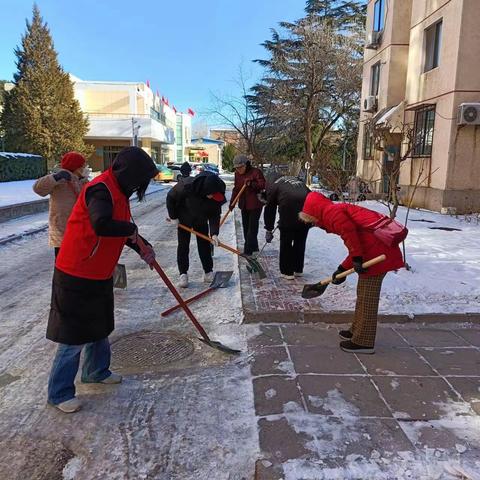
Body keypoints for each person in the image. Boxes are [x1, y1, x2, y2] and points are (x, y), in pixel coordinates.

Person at [46, 146, 158, 413]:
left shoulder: (119, 191)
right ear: (129, 174)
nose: (141, 186)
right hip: (76, 272)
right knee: (73, 337)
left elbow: (122, 230)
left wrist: (144, 247)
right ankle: (59, 393)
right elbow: (101, 224)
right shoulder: (101, 190)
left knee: (100, 325)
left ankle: (96, 371)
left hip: (99, 272)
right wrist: (131, 231)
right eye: (141, 179)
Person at [299, 192, 404, 354]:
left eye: (312, 220)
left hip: (379, 255)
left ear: (314, 211)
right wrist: (342, 269)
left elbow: (350, 234)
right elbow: (359, 242)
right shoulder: (333, 211)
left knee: (368, 298)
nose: (314, 224)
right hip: (372, 251)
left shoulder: (332, 214)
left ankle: (364, 342)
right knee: (362, 294)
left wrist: (356, 258)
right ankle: (356, 330)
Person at [166, 171, 226, 288]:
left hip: (201, 219)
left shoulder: (216, 192)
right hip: (184, 219)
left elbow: (215, 215)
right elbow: (170, 197)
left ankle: (208, 272)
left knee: (204, 244)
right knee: (183, 245)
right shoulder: (186, 186)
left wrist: (214, 234)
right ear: (205, 190)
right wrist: (174, 217)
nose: (213, 197)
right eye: (212, 195)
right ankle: (183, 274)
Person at [32, 151, 89, 257]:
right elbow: (38, 188)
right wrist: (55, 178)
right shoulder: (59, 180)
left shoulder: (83, 182)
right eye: (82, 166)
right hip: (62, 229)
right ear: (76, 167)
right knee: (63, 262)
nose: (84, 168)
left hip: (80, 228)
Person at [263, 175, 311, 280]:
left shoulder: (273, 186)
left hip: (290, 206)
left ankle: (287, 272)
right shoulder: (295, 180)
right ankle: (298, 269)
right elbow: (310, 194)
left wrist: (269, 229)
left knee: (286, 241)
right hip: (307, 207)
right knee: (300, 241)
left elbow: (270, 208)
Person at [229, 155, 266, 256]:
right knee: (246, 227)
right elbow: (236, 189)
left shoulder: (256, 172)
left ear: (246, 165)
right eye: (236, 168)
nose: (238, 170)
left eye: (240, 167)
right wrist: (232, 203)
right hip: (244, 204)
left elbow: (263, 185)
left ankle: (248, 251)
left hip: (255, 204)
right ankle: (254, 247)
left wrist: (252, 184)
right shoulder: (237, 174)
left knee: (252, 228)